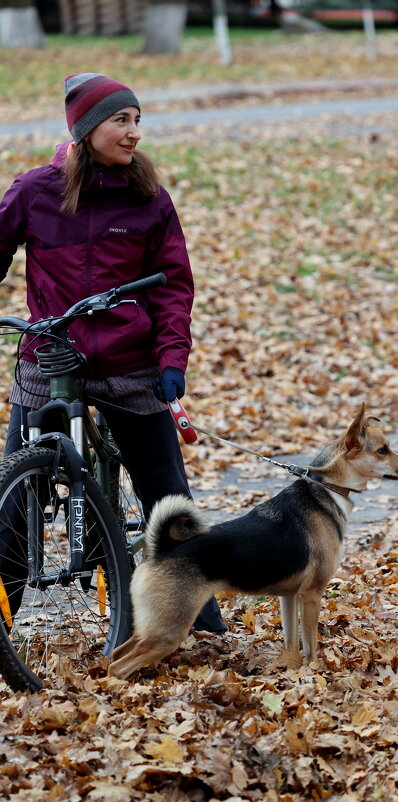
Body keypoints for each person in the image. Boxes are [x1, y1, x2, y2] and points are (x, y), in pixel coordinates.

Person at [0, 72, 225, 633]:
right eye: (121, 121)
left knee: (167, 498)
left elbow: (174, 284)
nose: (134, 134)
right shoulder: (34, 192)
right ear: (86, 129)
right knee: (12, 501)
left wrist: (172, 359)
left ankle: (202, 622)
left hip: (130, 364)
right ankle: (1, 621)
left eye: (137, 120)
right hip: (50, 362)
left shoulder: (149, 197)